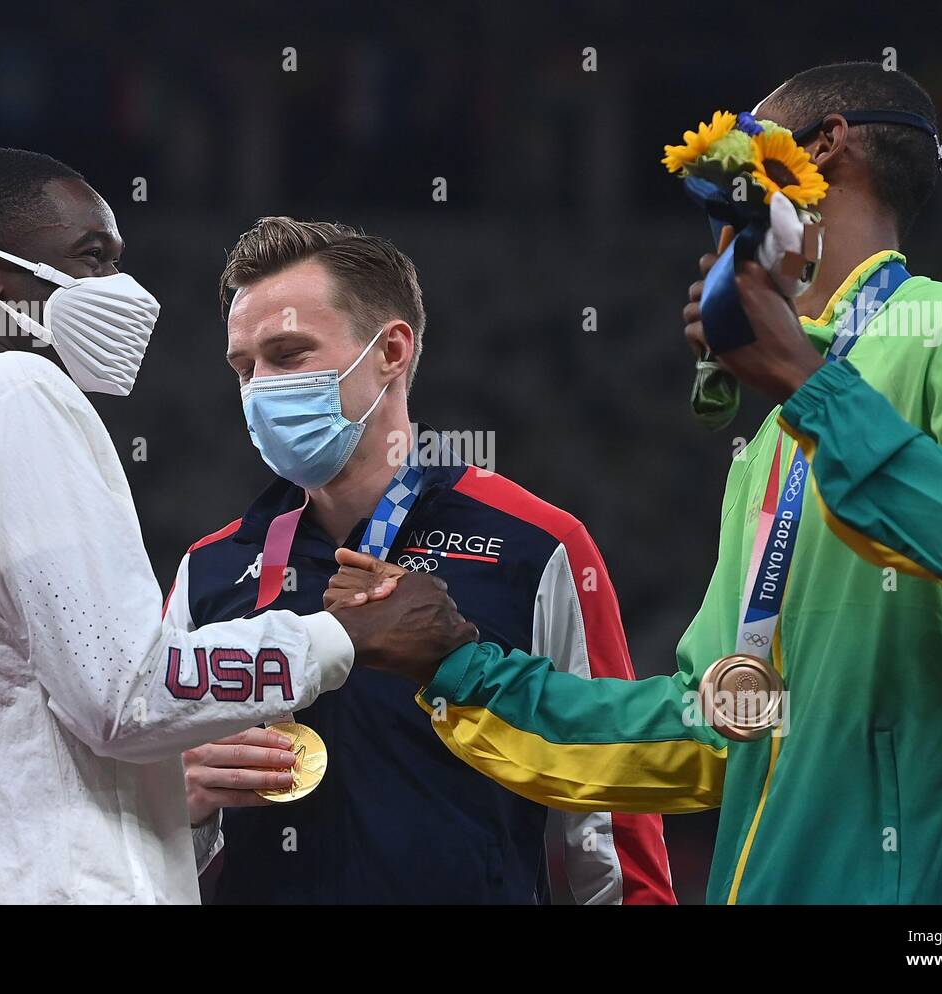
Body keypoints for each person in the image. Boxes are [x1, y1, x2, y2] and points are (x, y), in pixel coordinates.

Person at [335, 63, 942, 904]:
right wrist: (461, 663)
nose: (713, 249)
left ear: (823, 150)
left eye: (733, 198)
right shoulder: (775, 435)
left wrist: (813, 387)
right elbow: (717, 728)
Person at [0, 149, 472, 904]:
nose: (119, 289)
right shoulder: (18, 394)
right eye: (91, 259)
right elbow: (126, 693)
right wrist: (346, 636)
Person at [172, 218, 672, 903]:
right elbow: (147, 846)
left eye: (287, 355)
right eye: (244, 367)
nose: (259, 388)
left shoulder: (535, 547)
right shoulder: (207, 572)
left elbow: (610, 820)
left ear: (391, 351)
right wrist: (182, 807)